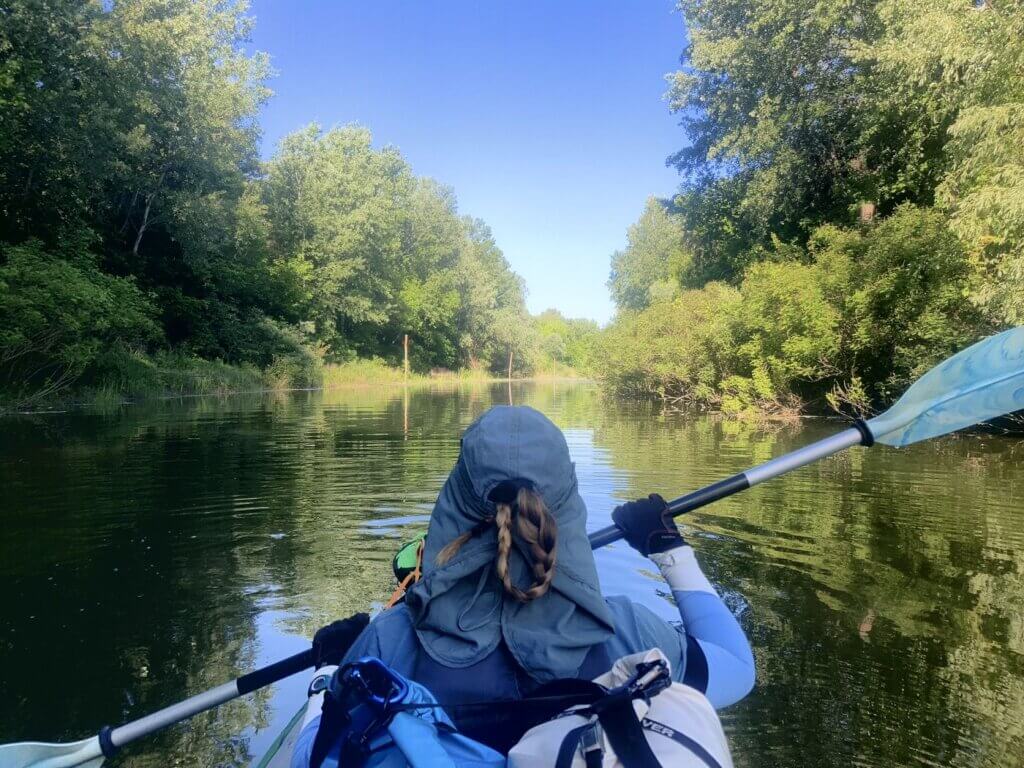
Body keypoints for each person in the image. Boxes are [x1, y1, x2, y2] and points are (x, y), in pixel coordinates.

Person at [296, 405, 754, 760]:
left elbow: (317, 758)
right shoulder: (631, 636)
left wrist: (328, 670)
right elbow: (737, 667)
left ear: (453, 501)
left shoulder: (390, 642)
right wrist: (667, 548)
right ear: (569, 505)